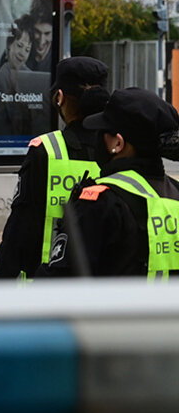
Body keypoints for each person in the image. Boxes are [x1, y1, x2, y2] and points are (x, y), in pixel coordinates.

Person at [0, 57, 109, 280]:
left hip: (46, 286)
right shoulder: (118, 151)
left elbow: (20, 228)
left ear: (59, 98)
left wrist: (0, 280)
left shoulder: (47, 151)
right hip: (101, 291)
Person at [38, 87, 179, 278]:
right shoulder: (175, 194)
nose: (97, 137)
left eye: (103, 131)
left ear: (117, 144)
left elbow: (58, 281)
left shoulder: (101, 201)